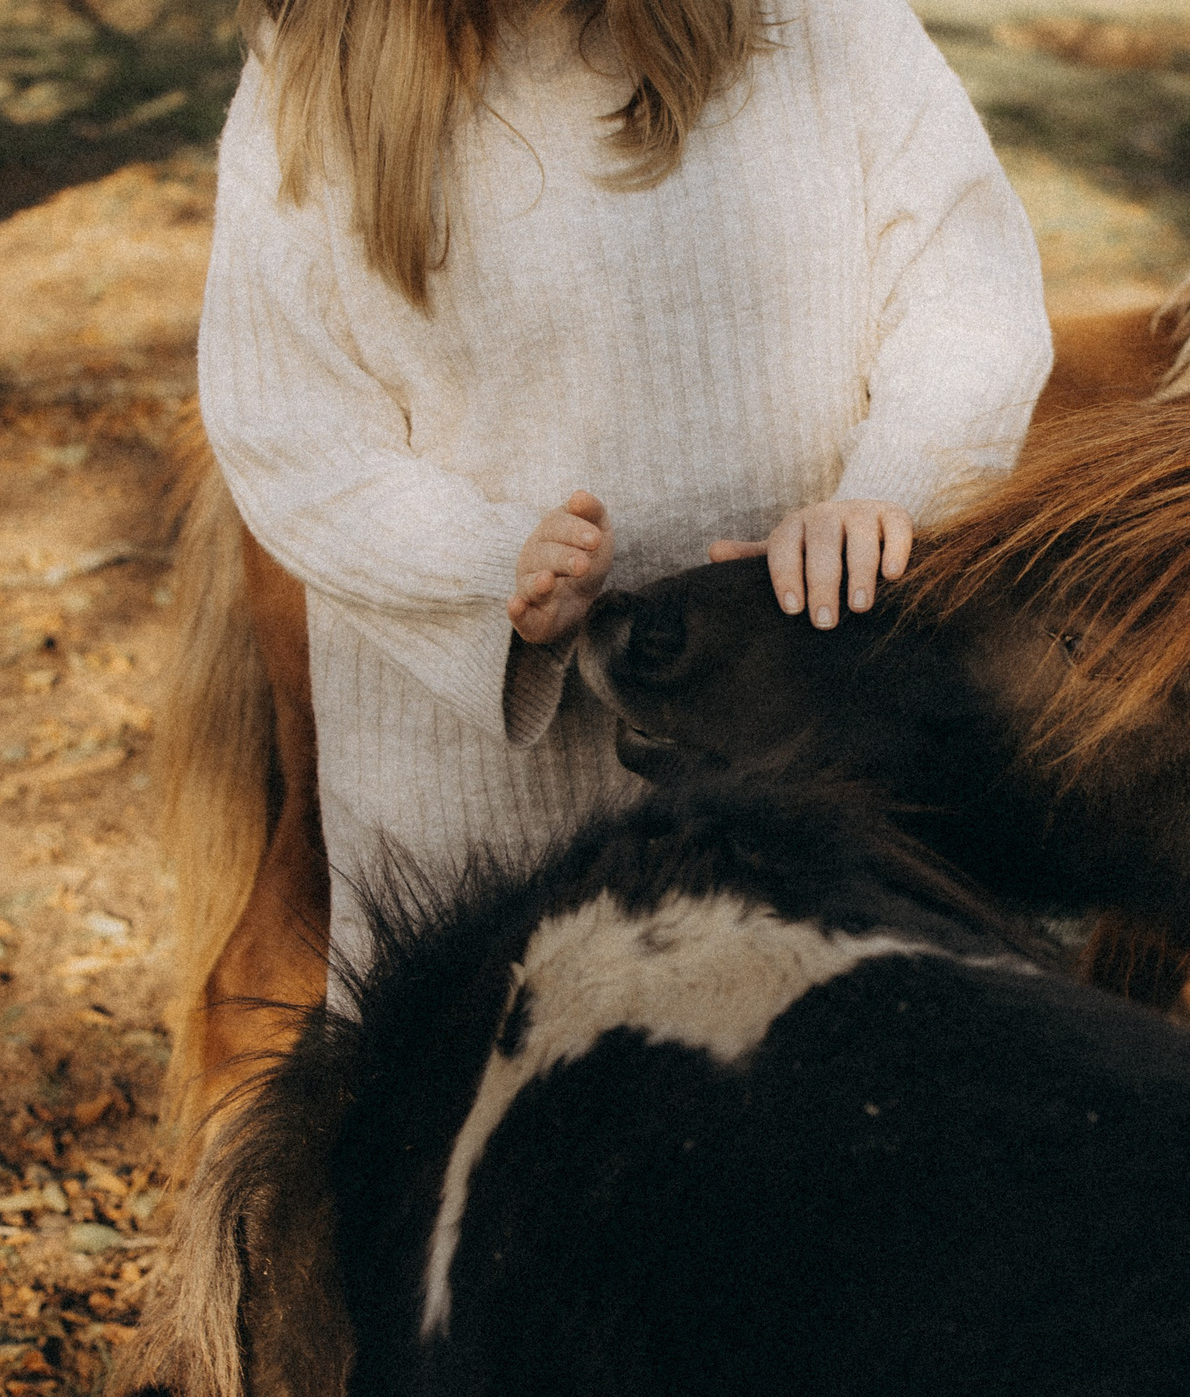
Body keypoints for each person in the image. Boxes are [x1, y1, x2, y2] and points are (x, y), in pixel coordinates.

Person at [195, 0, 1052, 978]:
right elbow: (291, 432)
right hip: (479, 837)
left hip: (802, 748)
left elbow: (967, 284)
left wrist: (893, 488)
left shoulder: (819, 20)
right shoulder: (309, 74)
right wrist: (488, 567)